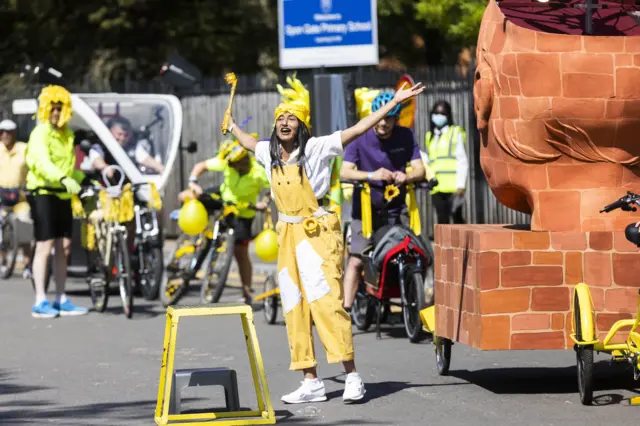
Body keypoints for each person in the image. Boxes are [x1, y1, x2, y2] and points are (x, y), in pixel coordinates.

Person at [223, 77, 424, 404]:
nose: (285, 123)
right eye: (280, 118)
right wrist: (232, 127)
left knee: (327, 303)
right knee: (294, 305)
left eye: (292, 118)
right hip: (287, 234)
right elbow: (248, 142)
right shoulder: (268, 153)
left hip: (316, 233)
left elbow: (359, 128)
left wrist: (392, 103)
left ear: (302, 124)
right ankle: (310, 380)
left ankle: (352, 376)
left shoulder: (317, 147)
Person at [339, 92, 426, 312]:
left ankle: (415, 299)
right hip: (366, 213)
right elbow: (344, 171)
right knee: (357, 260)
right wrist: (371, 175)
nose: (383, 123)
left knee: (413, 253)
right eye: (381, 117)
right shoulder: (360, 138)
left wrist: (406, 176)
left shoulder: (405, 136)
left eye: (389, 118)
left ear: (397, 119)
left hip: (398, 209)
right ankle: (346, 311)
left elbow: (420, 169)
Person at [178, 138, 270, 304]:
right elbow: (200, 166)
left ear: (244, 160)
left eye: (235, 164)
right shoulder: (227, 162)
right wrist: (193, 182)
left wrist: (265, 201)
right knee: (193, 196)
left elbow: (273, 188)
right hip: (223, 198)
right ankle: (198, 236)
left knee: (240, 253)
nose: (232, 167)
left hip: (243, 211)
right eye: (230, 164)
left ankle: (247, 290)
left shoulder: (258, 173)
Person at [25, 85, 88, 318]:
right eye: (52, 107)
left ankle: (61, 298)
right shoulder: (40, 133)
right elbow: (41, 161)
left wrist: (84, 177)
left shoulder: (68, 135)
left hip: (62, 194)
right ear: (45, 108)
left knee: (65, 247)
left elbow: (68, 168)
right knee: (45, 245)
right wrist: (62, 177)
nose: (56, 112)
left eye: (60, 108)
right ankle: (40, 300)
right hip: (42, 192)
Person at [423, 100, 468, 225]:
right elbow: (432, 160)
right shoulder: (430, 136)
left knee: (457, 219)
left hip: (453, 186)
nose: (438, 116)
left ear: (448, 116)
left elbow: (462, 160)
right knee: (442, 220)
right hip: (437, 186)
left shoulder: (455, 132)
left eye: (442, 113)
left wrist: (461, 185)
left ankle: (464, 244)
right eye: (436, 113)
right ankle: (445, 245)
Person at [0, 119, 32, 278]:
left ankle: (28, 265)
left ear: (14, 133)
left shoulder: (24, 149)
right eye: (2, 132)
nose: (5, 135)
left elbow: (33, 167)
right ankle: (3, 261)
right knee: (1, 230)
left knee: (25, 224)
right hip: (1, 198)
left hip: (20, 197)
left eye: (9, 132)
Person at [88, 116, 164, 178]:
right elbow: (96, 159)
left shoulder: (132, 147)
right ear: (109, 132)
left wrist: (160, 168)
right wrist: (104, 167)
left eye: (126, 135)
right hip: (102, 188)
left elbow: (145, 159)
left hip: (128, 187)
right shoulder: (99, 146)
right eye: (119, 134)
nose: (123, 138)